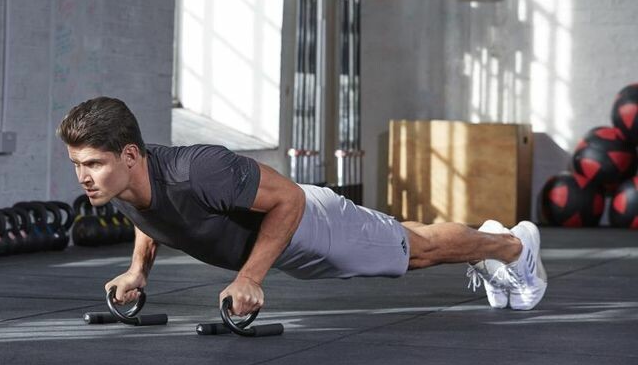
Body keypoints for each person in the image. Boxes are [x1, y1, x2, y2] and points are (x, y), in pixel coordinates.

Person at [57, 96, 547, 316]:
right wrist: (138, 271)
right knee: (401, 235)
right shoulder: (123, 185)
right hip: (288, 247)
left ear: (129, 155)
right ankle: (488, 239)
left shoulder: (199, 169)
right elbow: (152, 215)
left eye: (93, 163)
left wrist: (250, 278)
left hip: (309, 224)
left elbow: (288, 198)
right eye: (77, 163)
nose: (83, 176)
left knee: (415, 252)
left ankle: (512, 247)